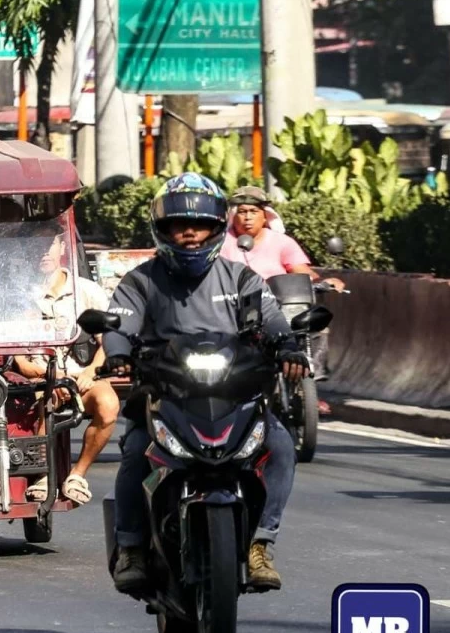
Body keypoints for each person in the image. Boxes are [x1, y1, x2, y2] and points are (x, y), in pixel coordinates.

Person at [104, 173, 309, 593]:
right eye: (179, 224)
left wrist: (287, 347)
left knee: (281, 446)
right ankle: (131, 549)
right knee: (134, 454)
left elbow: (271, 319)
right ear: (162, 230)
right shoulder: (140, 281)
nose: (190, 233)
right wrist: (119, 354)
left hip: (234, 391)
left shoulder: (242, 278)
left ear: (218, 228)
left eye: (199, 224)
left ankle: (261, 544)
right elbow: (119, 325)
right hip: (163, 391)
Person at [13, 234, 120, 505]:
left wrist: (91, 372)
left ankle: (78, 475)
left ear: (62, 247)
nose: (43, 251)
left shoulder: (86, 290)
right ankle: (40, 476)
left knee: (108, 405)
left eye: (50, 244)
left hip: (80, 379)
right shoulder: (16, 293)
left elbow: (108, 340)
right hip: (37, 380)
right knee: (40, 404)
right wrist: (43, 375)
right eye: (36, 244)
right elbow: (16, 356)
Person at [220, 184, 343, 409]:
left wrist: (324, 282)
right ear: (232, 215)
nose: (247, 217)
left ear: (265, 215)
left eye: (254, 212)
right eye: (242, 211)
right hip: (237, 313)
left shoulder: (281, 242)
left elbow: (301, 271)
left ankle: (310, 384)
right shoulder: (220, 243)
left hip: (280, 307)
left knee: (316, 324)